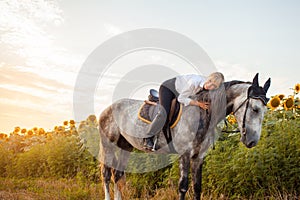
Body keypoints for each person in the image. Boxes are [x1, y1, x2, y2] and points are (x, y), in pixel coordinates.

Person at [143, 72, 225, 150]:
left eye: (214, 86)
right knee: (164, 113)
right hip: (169, 88)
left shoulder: (209, 89)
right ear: (208, 78)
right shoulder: (194, 82)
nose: (209, 85)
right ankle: (147, 137)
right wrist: (198, 103)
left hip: (182, 92)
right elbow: (181, 99)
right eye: (210, 81)